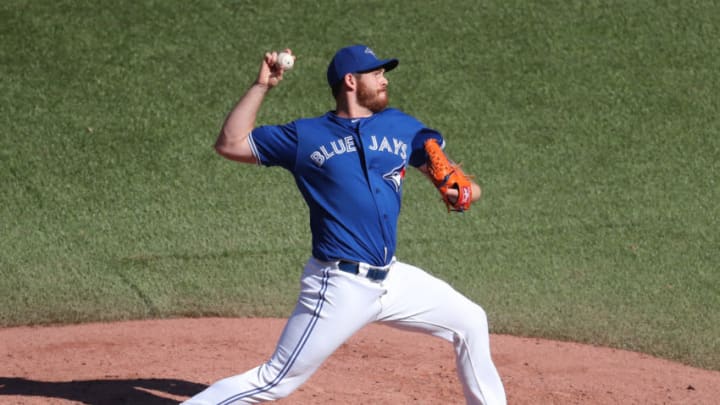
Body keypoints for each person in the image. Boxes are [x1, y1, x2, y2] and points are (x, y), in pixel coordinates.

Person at [182, 44, 506, 405]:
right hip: (340, 286)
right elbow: (230, 144)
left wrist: (463, 190)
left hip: (392, 280)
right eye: (377, 73)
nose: (384, 80)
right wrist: (263, 87)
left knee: (471, 321)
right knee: (274, 380)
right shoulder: (306, 136)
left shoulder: (401, 126)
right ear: (350, 81)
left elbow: (456, 183)